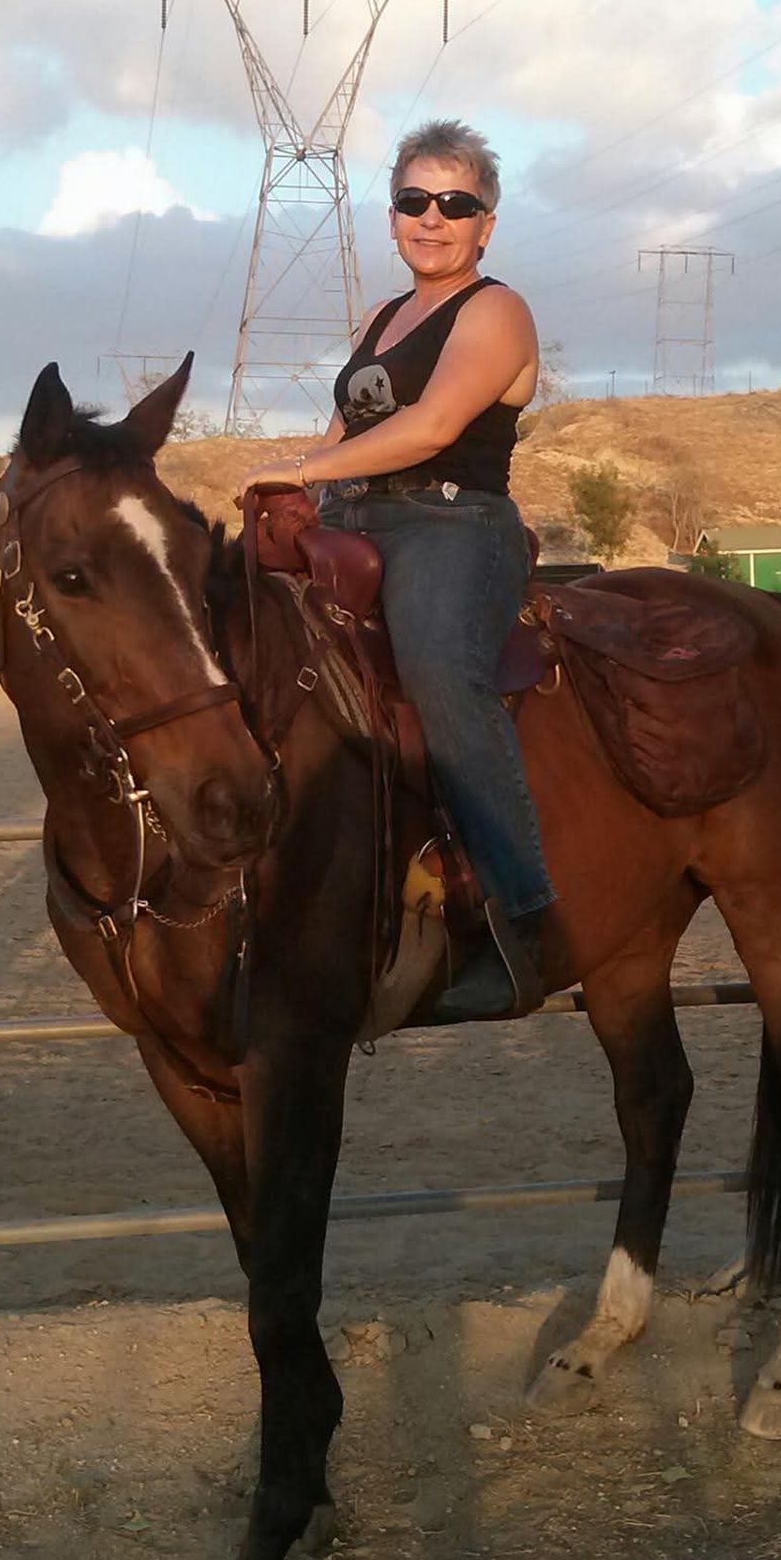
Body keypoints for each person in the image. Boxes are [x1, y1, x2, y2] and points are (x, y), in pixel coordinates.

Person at [239, 118, 552, 1017]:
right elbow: (350, 433)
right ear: (391, 217)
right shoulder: (383, 316)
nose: (432, 218)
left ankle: (520, 921)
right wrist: (293, 490)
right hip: (357, 517)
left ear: (485, 224)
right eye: (414, 200)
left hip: (452, 524)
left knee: (438, 671)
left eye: (455, 204)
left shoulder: (496, 309)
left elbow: (432, 426)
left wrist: (306, 470)